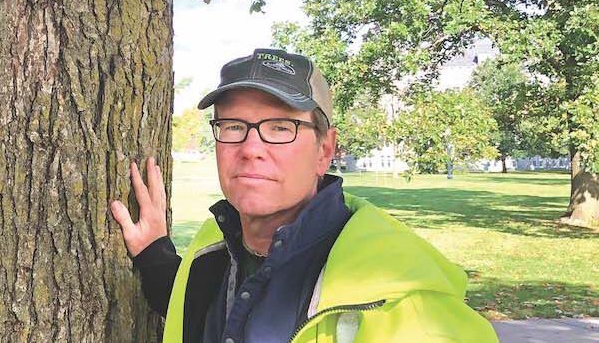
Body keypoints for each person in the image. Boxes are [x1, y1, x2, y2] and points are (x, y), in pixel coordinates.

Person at [111, 48, 499, 343]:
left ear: (325, 151)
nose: (250, 147)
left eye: (280, 128)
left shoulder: (400, 299)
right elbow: (201, 310)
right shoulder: (212, 250)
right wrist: (153, 252)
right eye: (233, 126)